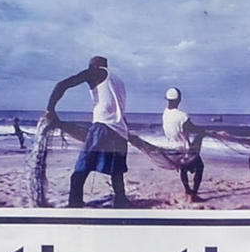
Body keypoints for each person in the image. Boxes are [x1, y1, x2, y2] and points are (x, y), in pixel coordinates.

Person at [44, 54, 132, 208]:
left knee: (80, 171)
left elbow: (62, 84)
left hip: (103, 128)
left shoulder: (97, 72)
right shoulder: (118, 81)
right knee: (116, 173)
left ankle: (75, 204)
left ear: (95, 66)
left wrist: (50, 109)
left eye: (90, 67)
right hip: (121, 132)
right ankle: (121, 201)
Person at [152, 84, 208, 201]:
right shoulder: (182, 116)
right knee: (200, 167)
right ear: (179, 99)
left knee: (183, 169)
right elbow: (193, 128)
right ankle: (193, 194)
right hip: (184, 149)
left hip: (172, 149)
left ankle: (187, 190)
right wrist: (203, 131)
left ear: (167, 100)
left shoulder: (165, 113)